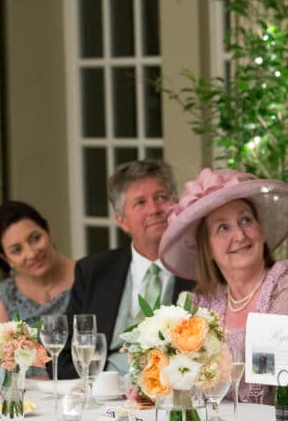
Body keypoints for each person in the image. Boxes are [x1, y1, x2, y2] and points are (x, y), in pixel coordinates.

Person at [159, 168, 288, 415]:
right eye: (223, 228)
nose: (240, 235)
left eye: (246, 220)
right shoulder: (202, 303)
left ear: (261, 230)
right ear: (207, 249)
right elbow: (188, 384)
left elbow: (268, 363)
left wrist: (197, 371)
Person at [56, 159, 193, 379]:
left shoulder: (200, 269)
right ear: (122, 220)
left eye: (161, 197)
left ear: (176, 203)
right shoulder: (94, 271)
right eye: (140, 202)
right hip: (105, 400)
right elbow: (63, 359)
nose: (154, 209)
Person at [0, 201, 75, 324]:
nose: (32, 254)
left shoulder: (85, 276)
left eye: (36, 238)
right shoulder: (5, 295)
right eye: (17, 250)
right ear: (5, 258)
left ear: (48, 231)